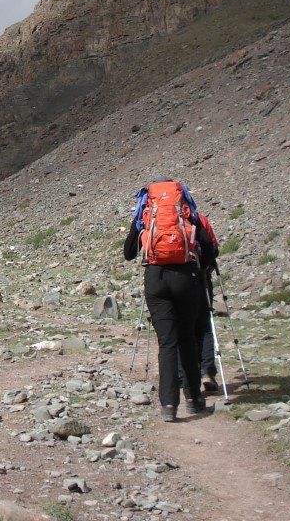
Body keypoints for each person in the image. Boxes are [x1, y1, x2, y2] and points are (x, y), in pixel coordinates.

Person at [123, 178, 216, 422]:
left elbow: (128, 252)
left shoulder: (145, 215)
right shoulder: (187, 212)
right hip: (187, 277)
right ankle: (193, 400)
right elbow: (210, 248)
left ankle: (168, 405)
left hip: (155, 278)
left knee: (167, 343)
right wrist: (198, 269)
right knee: (187, 338)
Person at [178, 212, 219, 394]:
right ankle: (206, 371)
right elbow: (212, 247)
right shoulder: (197, 218)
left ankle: (181, 375)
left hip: (169, 279)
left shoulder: (156, 219)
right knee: (204, 325)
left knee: (178, 326)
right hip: (199, 278)